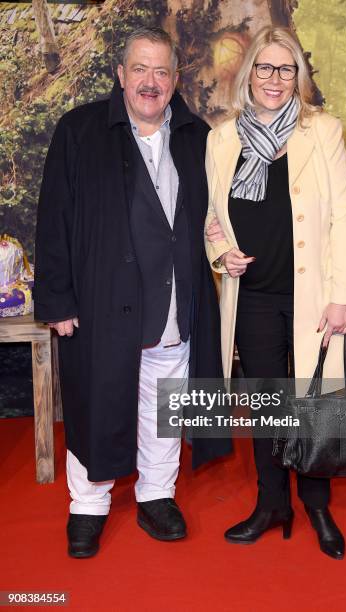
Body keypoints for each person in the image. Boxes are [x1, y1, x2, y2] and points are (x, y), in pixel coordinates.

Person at [34, 26, 230, 558]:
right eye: (140, 69)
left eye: (161, 71)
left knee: (165, 405)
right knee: (95, 402)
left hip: (173, 304)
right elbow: (53, 221)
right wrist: (56, 300)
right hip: (100, 305)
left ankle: (157, 496)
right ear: (120, 75)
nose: (151, 81)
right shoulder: (79, 131)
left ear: (175, 79)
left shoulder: (196, 136)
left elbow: (216, 217)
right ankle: (89, 505)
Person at [204, 26, 346, 560]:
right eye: (265, 68)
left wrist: (343, 293)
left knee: (313, 404)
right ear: (249, 73)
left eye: (286, 68)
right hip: (250, 295)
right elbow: (213, 217)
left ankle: (317, 506)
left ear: (300, 75)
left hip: (315, 297)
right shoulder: (222, 137)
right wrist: (221, 253)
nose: (275, 79)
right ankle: (272, 503)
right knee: (269, 407)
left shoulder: (323, 130)